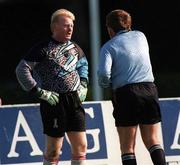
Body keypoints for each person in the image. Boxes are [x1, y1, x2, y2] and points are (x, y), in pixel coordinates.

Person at [16, 9, 88, 165]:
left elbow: (83, 65)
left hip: (74, 101)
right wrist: (38, 91)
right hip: (54, 103)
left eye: (71, 26)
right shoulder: (42, 48)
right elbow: (21, 69)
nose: (70, 29)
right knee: (53, 150)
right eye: (66, 26)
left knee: (81, 146)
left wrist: (83, 84)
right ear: (54, 27)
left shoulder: (75, 48)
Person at [98, 9, 166, 165]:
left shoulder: (108, 47)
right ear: (129, 24)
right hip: (149, 89)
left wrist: (106, 85)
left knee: (127, 147)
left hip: (126, 93)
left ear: (109, 29)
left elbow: (103, 74)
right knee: (152, 140)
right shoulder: (141, 36)